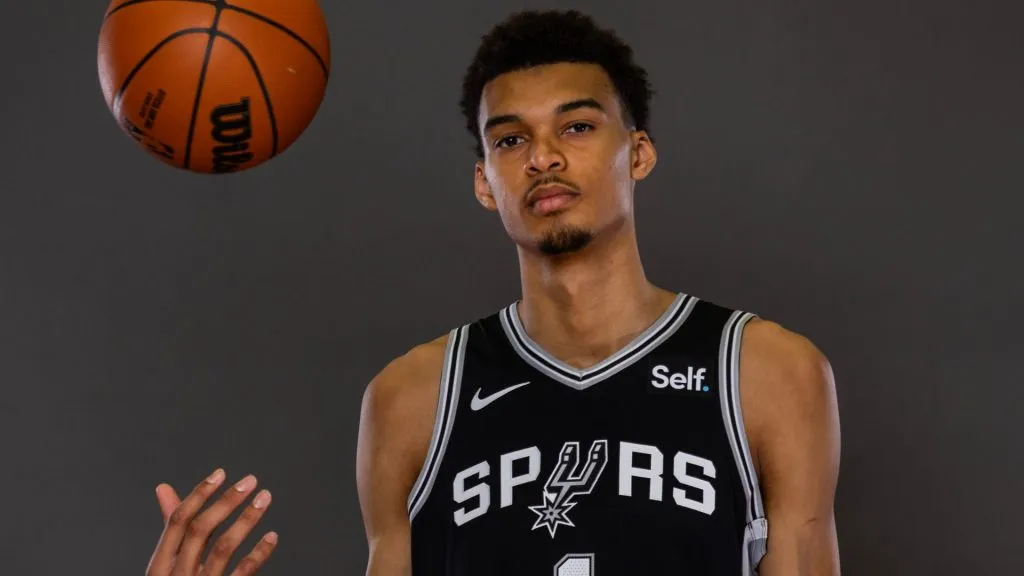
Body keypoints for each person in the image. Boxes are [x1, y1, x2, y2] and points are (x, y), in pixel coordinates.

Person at [143, 9, 841, 576]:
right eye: (510, 140)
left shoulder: (764, 371)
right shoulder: (413, 398)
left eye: (576, 126)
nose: (543, 157)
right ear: (485, 183)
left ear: (639, 152)